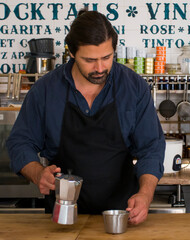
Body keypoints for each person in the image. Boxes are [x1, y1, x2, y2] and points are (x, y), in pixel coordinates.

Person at [6, 9, 165, 225]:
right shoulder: (46, 90)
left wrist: (145, 194)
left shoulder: (133, 87)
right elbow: (20, 142)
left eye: (107, 57)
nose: (100, 68)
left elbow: (151, 148)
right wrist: (37, 173)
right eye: (90, 60)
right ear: (71, 52)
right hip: (61, 218)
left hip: (120, 216)